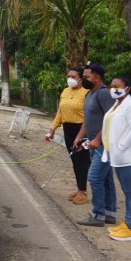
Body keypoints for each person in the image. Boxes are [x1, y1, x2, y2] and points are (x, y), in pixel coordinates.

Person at [102, 76, 131, 242]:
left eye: (117, 86)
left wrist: (121, 147)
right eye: (111, 86)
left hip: (130, 157)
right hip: (118, 156)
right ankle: (127, 223)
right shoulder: (118, 104)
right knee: (128, 192)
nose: (113, 89)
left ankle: (130, 229)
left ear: (127, 88)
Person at [73, 64, 117, 226]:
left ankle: (98, 215)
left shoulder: (104, 93)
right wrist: (79, 137)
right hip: (92, 144)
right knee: (105, 178)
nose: (83, 80)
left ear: (97, 78)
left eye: (86, 77)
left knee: (94, 177)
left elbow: (112, 118)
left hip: (103, 145)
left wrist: (98, 139)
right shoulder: (89, 94)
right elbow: (88, 119)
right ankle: (109, 213)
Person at [47, 67, 90, 204]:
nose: (70, 79)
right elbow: (60, 112)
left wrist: (81, 135)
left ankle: (83, 192)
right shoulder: (65, 91)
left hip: (82, 129)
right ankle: (79, 188)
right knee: (74, 161)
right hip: (68, 129)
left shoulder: (87, 93)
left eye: (73, 76)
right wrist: (53, 128)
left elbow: (89, 115)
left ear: (80, 79)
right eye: (68, 76)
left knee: (81, 161)